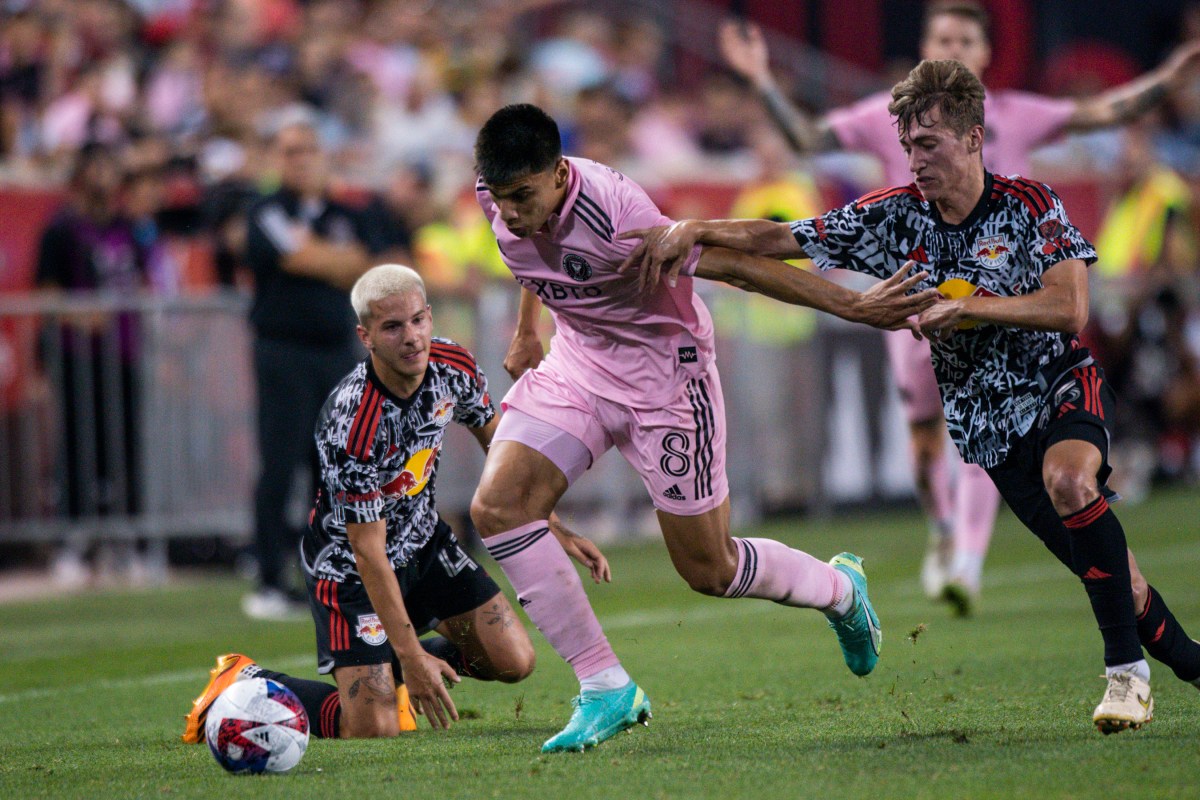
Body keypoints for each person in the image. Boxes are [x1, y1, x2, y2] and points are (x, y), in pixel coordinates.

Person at [623, 59, 1200, 734]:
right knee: (1116, 582)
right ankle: (1189, 662)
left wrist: (972, 309)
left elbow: (1070, 308)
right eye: (908, 147)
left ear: (975, 139)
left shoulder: (1029, 205)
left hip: (1058, 384)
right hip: (991, 429)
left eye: (929, 144)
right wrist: (697, 229)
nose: (916, 161)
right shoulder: (896, 218)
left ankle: (1125, 678)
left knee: (1071, 481)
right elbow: (785, 238)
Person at [470, 103, 939, 753]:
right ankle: (606, 687)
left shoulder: (618, 218)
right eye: (500, 198)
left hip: (666, 378)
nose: (510, 211)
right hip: (577, 363)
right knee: (499, 506)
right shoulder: (500, 192)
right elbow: (533, 255)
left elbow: (737, 264)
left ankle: (840, 589)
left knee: (708, 568)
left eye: (522, 196)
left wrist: (855, 304)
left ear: (557, 175)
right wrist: (528, 328)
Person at [719, 1, 1200, 612]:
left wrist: (1171, 76)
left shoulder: (1018, 116)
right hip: (916, 296)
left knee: (991, 421)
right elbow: (808, 139)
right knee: (924, 441)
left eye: (964, 38)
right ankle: (944, 532)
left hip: (1005, 299)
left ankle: (968, 561)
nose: (951, 45)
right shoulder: (883, 114)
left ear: (984, 53)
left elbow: (1106, 111)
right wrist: (762, 79)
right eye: (940, 36)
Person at [183, 264, 612, 741]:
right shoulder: (353, 422)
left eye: (416, 321)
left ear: (429, 315)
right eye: (392, 327)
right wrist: (411, 654)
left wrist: (552, 524)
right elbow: (368, 551)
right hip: (349, 569)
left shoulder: (454, 366)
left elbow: (504, 453)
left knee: (514, 660)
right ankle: (246, 683)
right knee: (374, 727)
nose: (411, 338)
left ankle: (386, 672)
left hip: (424, 545)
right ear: (365, 336)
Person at [242, 111, 385, 621]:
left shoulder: (346, 211)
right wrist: (339, 260)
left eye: (308, 149)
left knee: (335, 469)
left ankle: (329, 576)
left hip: (336, 352)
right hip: (282, 351)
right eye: (290, 151)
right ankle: (267, 579)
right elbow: (312, 261)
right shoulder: (264, 210)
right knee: (278, 466)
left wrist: (332, 258)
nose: (301, 160)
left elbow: (373, 264)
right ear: (275, 160)